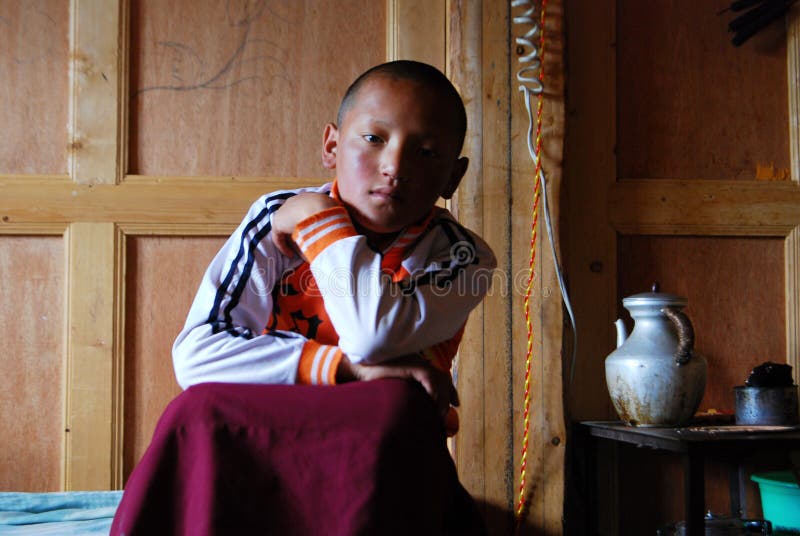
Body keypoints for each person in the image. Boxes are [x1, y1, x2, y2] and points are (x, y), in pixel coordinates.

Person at [111, 60, 495, 535]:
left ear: (453, 178)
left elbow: (371, 335)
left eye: (428, 151)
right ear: (331, 145)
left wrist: (323, 226)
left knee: (396, 402)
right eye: (374, 139)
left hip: (376, 449)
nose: (396, 167)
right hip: (266, 435)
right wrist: (346, 369)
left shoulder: (461, 256)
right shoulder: (274, 216)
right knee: (192, 410)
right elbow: (196, 356)